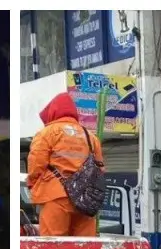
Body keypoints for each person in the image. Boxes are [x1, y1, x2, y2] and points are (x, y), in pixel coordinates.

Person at [26, 91, 105, 237]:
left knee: (54, 248)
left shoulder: (47, 133)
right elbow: (100, 169)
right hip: (85, 199)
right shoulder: (90, 136)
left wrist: (33, 184)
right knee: (83, 247)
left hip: (55, 195)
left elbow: (36, 164)